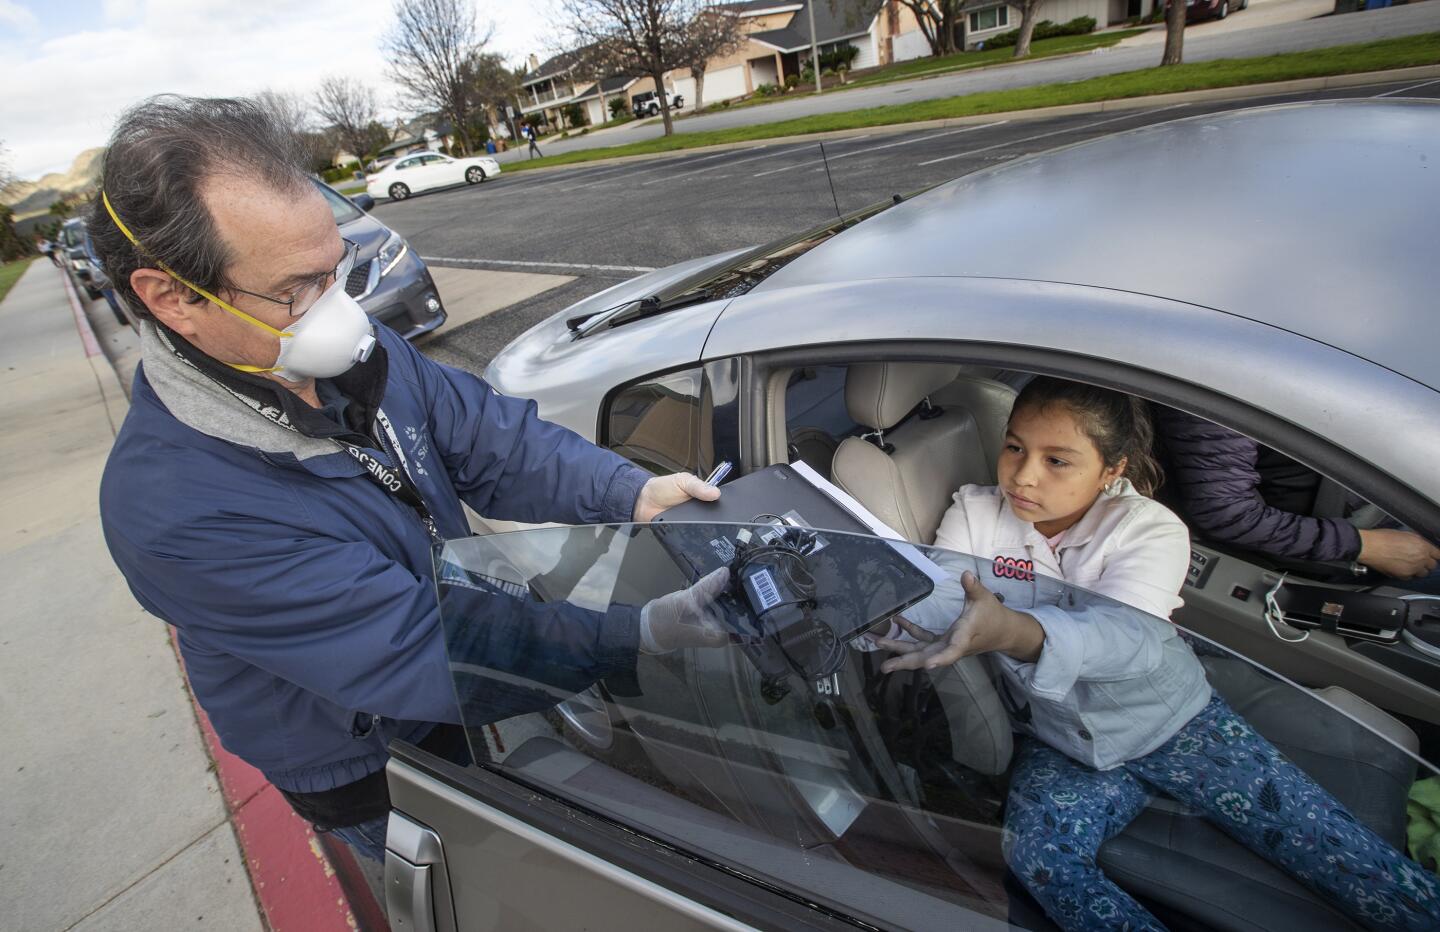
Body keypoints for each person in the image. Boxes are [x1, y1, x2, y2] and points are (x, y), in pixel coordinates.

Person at [90, 95, 725, 864]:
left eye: (337, 271)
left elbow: (495, 442)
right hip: (376, 768)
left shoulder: (345, 356)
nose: (342, 313)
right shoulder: (177, 510)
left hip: (473, 679)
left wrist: (627, 491)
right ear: (172, 298)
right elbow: (424, 650)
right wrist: (642, 632)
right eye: (297, 289)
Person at [876, 377, 1439, 932]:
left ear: (1113, 469)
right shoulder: (974, 512)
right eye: (1015, 447)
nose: (1022, 476)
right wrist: (869, 606)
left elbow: (1131, 639)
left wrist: (1016, 632)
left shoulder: (1149, 528)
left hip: (1176, 724)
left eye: (1058, 461)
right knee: (1041, 860)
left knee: (1347, 857)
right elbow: (939, 594)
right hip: (1062, 740)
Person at [1156, 408, 1440, 582]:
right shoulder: (1223, 370)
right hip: (1324, 552)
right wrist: (1366, 546)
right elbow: (1227, 513)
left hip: (1382, 503)